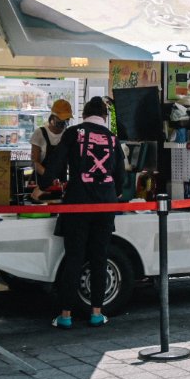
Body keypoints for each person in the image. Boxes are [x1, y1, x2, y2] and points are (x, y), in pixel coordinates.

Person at [36, 97, 125, 329]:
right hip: (105, 206)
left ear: (84, 114)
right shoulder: (113, 139)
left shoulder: (73, 133)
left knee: (74, 258)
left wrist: (41, 189)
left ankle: (66, 315)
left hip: (77, 204)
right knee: (99, 257)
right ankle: (96, 313)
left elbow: (55, 166)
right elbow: (121, 179)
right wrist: (112, 194)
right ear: (105, 117)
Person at [30, 99, 73, 190]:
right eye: (61, 118)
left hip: (61, 183)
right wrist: (49, 176)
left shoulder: (68, 135)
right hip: (41, 183)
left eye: (67, 119)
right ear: (53, 117)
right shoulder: (40, 133)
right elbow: (35, 162)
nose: (64, 121)